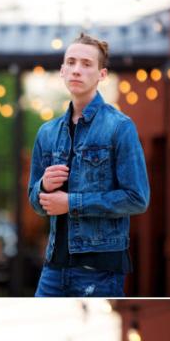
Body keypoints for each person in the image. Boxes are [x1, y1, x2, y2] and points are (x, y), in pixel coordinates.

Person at [28, 33, 150, 297]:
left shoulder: (120, 127)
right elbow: (34, 201)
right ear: (62, 71)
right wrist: (43, 186)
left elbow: (137, 198)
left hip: (99, 270)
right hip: (53, 269)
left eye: (86, 64)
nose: (76, 70)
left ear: (102, 75)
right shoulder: (47, 133)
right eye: (70, 62)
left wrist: (72, 203)